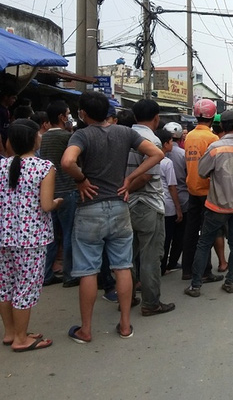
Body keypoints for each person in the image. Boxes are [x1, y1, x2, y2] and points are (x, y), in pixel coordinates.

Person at [61, 91, 164, 343]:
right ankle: (126, 325)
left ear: (82, 114)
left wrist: (82, 179)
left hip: (90, 209)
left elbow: (67, 162)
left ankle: (86, 330)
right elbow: (157, 154)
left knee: (88, 271)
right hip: (120, 206)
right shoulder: (125, 133)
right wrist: (129, 179)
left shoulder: (81, 134)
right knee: (123, 266)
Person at [0, 119, 61, 352]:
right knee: (25, 288)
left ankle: (11, 333)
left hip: (3, 236)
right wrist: (56, 202)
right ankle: (21, 339)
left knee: (5, 286)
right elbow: (46, 205)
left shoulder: (1, 166)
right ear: (35, 138)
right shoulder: (44, 167)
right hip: (31, 239)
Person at [184, 110, 233, 297]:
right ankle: (231, 282)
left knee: (204, 243)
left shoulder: (215, 147)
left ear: (222, 126)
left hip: (216, 205)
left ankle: (196, 286)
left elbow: (202, 172)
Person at [126, 99, 175, 317]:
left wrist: (123, 191)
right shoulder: (152, 141)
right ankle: (151, 302)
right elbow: (147, 175)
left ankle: (127, 298)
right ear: (156, 118)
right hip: (147, 204)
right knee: (150, 256)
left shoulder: (124, 135)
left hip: (126, 206)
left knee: (127, 256)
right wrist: (126, 188)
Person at [182, 99, 225, 281]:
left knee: (191, 231)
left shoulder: (189, 136)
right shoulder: (212, 138)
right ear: (212, 116)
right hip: (207, 190)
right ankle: (204, 271)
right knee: (206, 233)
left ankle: (187, 269)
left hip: (192, 187)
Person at [40, 100, 79, 288]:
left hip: (49, 192)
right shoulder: (67, 137)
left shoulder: (43, 137)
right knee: (70, 234)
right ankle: (69, 275)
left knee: (51, 236)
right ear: (61, 117)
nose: (69, 116)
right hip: (68, 190)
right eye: (68, 113)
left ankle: (46, 274)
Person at [154, 129, 184, 276]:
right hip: (168, 205)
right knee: (167, 238)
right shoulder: (167, 162)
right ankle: (163, 266)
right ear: (165, 144)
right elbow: (172, 187)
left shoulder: (149, 158)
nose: (172, 143)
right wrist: (178, 208)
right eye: (170, 141)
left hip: (155, 204)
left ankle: (158, 266)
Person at [162, 122, 188, 272]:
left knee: (165, 235)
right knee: (179, 235)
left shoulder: (155, 155)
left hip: (164, 201)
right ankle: (172, 262)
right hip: (182, 198)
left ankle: (163, 262)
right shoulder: (183, 154)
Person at [0, 78, 18, 157]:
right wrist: (2, 151)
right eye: (13, 98)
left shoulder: (7, 111)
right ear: (5, 97)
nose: (14, 100)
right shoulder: (1, 111)